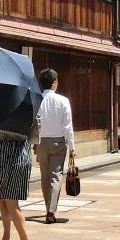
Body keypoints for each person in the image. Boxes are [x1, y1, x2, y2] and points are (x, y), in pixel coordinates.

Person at [0, 108, 36, 240]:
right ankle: (6, 239)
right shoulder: (31, 106)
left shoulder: (4, 106)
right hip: (22, 150)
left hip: (9, 152)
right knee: (1, 197)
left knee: (10, 199)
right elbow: (36, 132)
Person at [35, 68, 77, 224]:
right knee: (56, 176)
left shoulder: (36, 100)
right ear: (54, 83)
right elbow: (68, 126)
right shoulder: (63, 101)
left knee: (45, 177)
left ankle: (48, 208)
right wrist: (72, 147)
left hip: (41, 142)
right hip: (58, 142)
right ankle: (51, 211)